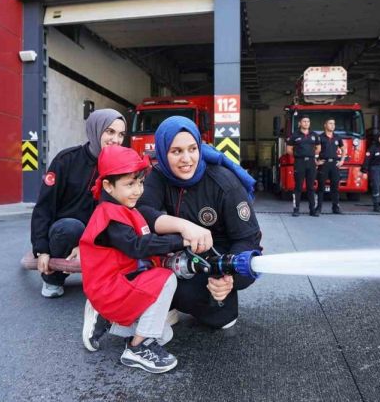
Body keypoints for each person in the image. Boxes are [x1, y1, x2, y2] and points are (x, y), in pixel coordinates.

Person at [136, 116, 261, 330]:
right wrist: (184, 226)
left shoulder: (224, 183)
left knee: (220, 318)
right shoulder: (158, 175)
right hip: (177, 250)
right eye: (176, 151)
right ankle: (165, 304)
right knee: (136, 253)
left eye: (192, 149)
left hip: (217, 256)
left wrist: (230, 278)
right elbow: (142, 212)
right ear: (163, 152)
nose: (187, 159)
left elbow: (248, 240)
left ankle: (194, 298)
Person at [80, 145, 187, 373]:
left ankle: (109, 319)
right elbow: (137, 246)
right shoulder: (109, 215)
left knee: (164, 334)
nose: (137, 190)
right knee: (166, 278)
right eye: (129, 184)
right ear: (108, 185)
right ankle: (136, 348)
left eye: (140, 183)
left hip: (121, 282)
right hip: (109, 287)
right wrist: (181, 241)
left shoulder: (126, 209)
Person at [30, 109, 126, 298]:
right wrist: (41, 250)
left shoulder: (121, 167)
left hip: (100, 236)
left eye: (121, 134)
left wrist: (88, 244)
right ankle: (53, 278)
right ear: (95, 130)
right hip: (67, 234)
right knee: (70, 227)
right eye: (110, 132)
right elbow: (44, 207)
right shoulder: (66, 160)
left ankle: (108, 277)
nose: (116, 139)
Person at [287, 114, 321, 217]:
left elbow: (318, 148)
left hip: (311, 162)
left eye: (308, 121)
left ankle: (312, 210)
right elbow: (289, 150)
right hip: (299, 162)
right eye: (304, 121)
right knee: (298, 187)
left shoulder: (314, 135)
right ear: (300, 123)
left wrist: (313, 155)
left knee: (311, 187)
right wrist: (298, 155)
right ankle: (296, 209)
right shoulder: (294, 135)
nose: (306, 123)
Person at [316, 118, 345, 215]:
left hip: (334, 165)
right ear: (325, 125)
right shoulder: (320, 137)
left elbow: (344, 150)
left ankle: (335, 207)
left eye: (334, 123)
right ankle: (318, 208)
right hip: (324, 164)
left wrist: (342, 160)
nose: (333, 125)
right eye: (330, 123)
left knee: (335, 188)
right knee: (320, 187)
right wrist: (316, 161)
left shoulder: (337, 137)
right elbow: (314, 150)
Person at [361, 131, 380, 212]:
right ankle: (376, 205)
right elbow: (367, 159)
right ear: (378, 138)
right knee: (376, 186)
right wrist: (364, 171)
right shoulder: (372, 148)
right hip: (375, 168)